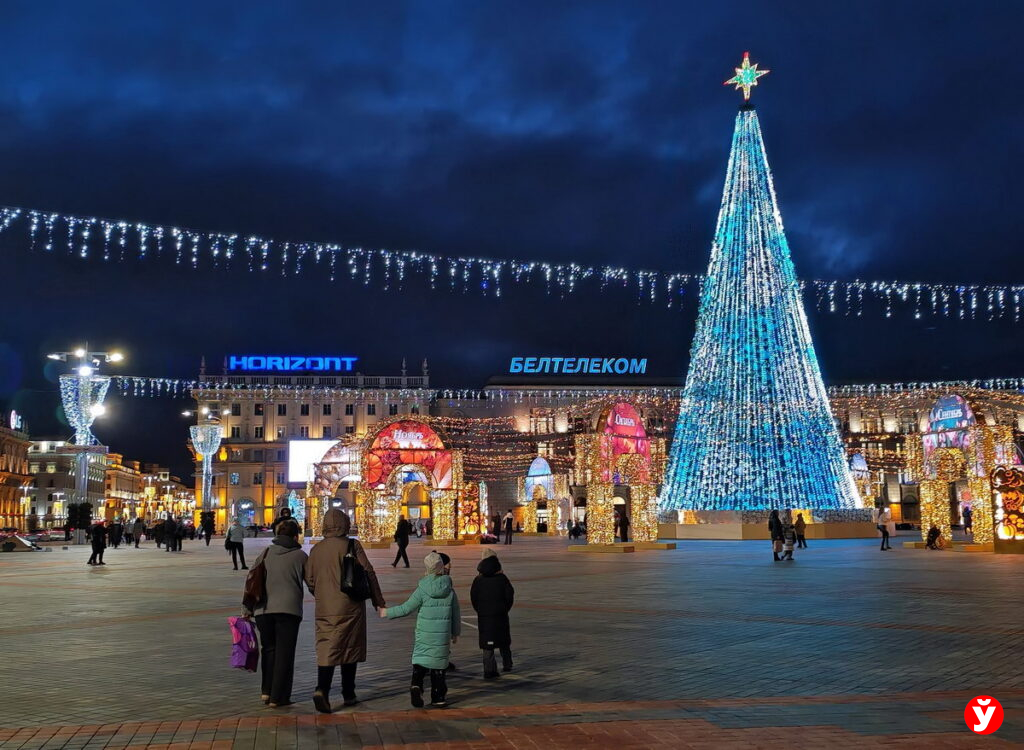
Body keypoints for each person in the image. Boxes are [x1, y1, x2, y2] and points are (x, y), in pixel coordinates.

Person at [307, 509, 385, 713]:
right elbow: (368, 572)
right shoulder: (352, 545)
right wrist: (378, 600)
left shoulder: (316, 549)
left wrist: (321, 594)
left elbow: (310, 580)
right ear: (345, 523)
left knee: (327, 647)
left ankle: (321, 689)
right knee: (350, 647)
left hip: (324, 607)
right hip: (350, 606)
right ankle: (348, 693)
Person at [381, 551, 460, 708]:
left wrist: (387, 612)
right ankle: (438, 697)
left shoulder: (422, 589)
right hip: (441, 638)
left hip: (424, 635)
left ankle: (416, 685)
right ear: (442, 567)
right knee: (439, 667)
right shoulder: (449, 590)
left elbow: (406, 608)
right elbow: (456, 614)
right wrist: (455, 633)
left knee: (420, 661)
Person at [244, 519, 308, 708]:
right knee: (285, 654)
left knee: (269, 650)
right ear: (296, 536)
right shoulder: (300, 556)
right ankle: (278, 697)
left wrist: (246, 609)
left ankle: (266, 691)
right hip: (289, 611)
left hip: (263, 611)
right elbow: (313, 582)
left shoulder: (265, 553)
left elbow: (251, 580)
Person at [471, 548, 514, 678]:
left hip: (484, 616)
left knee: (487, 643)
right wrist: (504, 608)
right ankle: (507, 663)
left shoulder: (478, 580)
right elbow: (509, 596)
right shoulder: (502, 578)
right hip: (500, 615)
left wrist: (480, 610)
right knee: (504, 640)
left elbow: (474, 597)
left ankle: (489, 670)